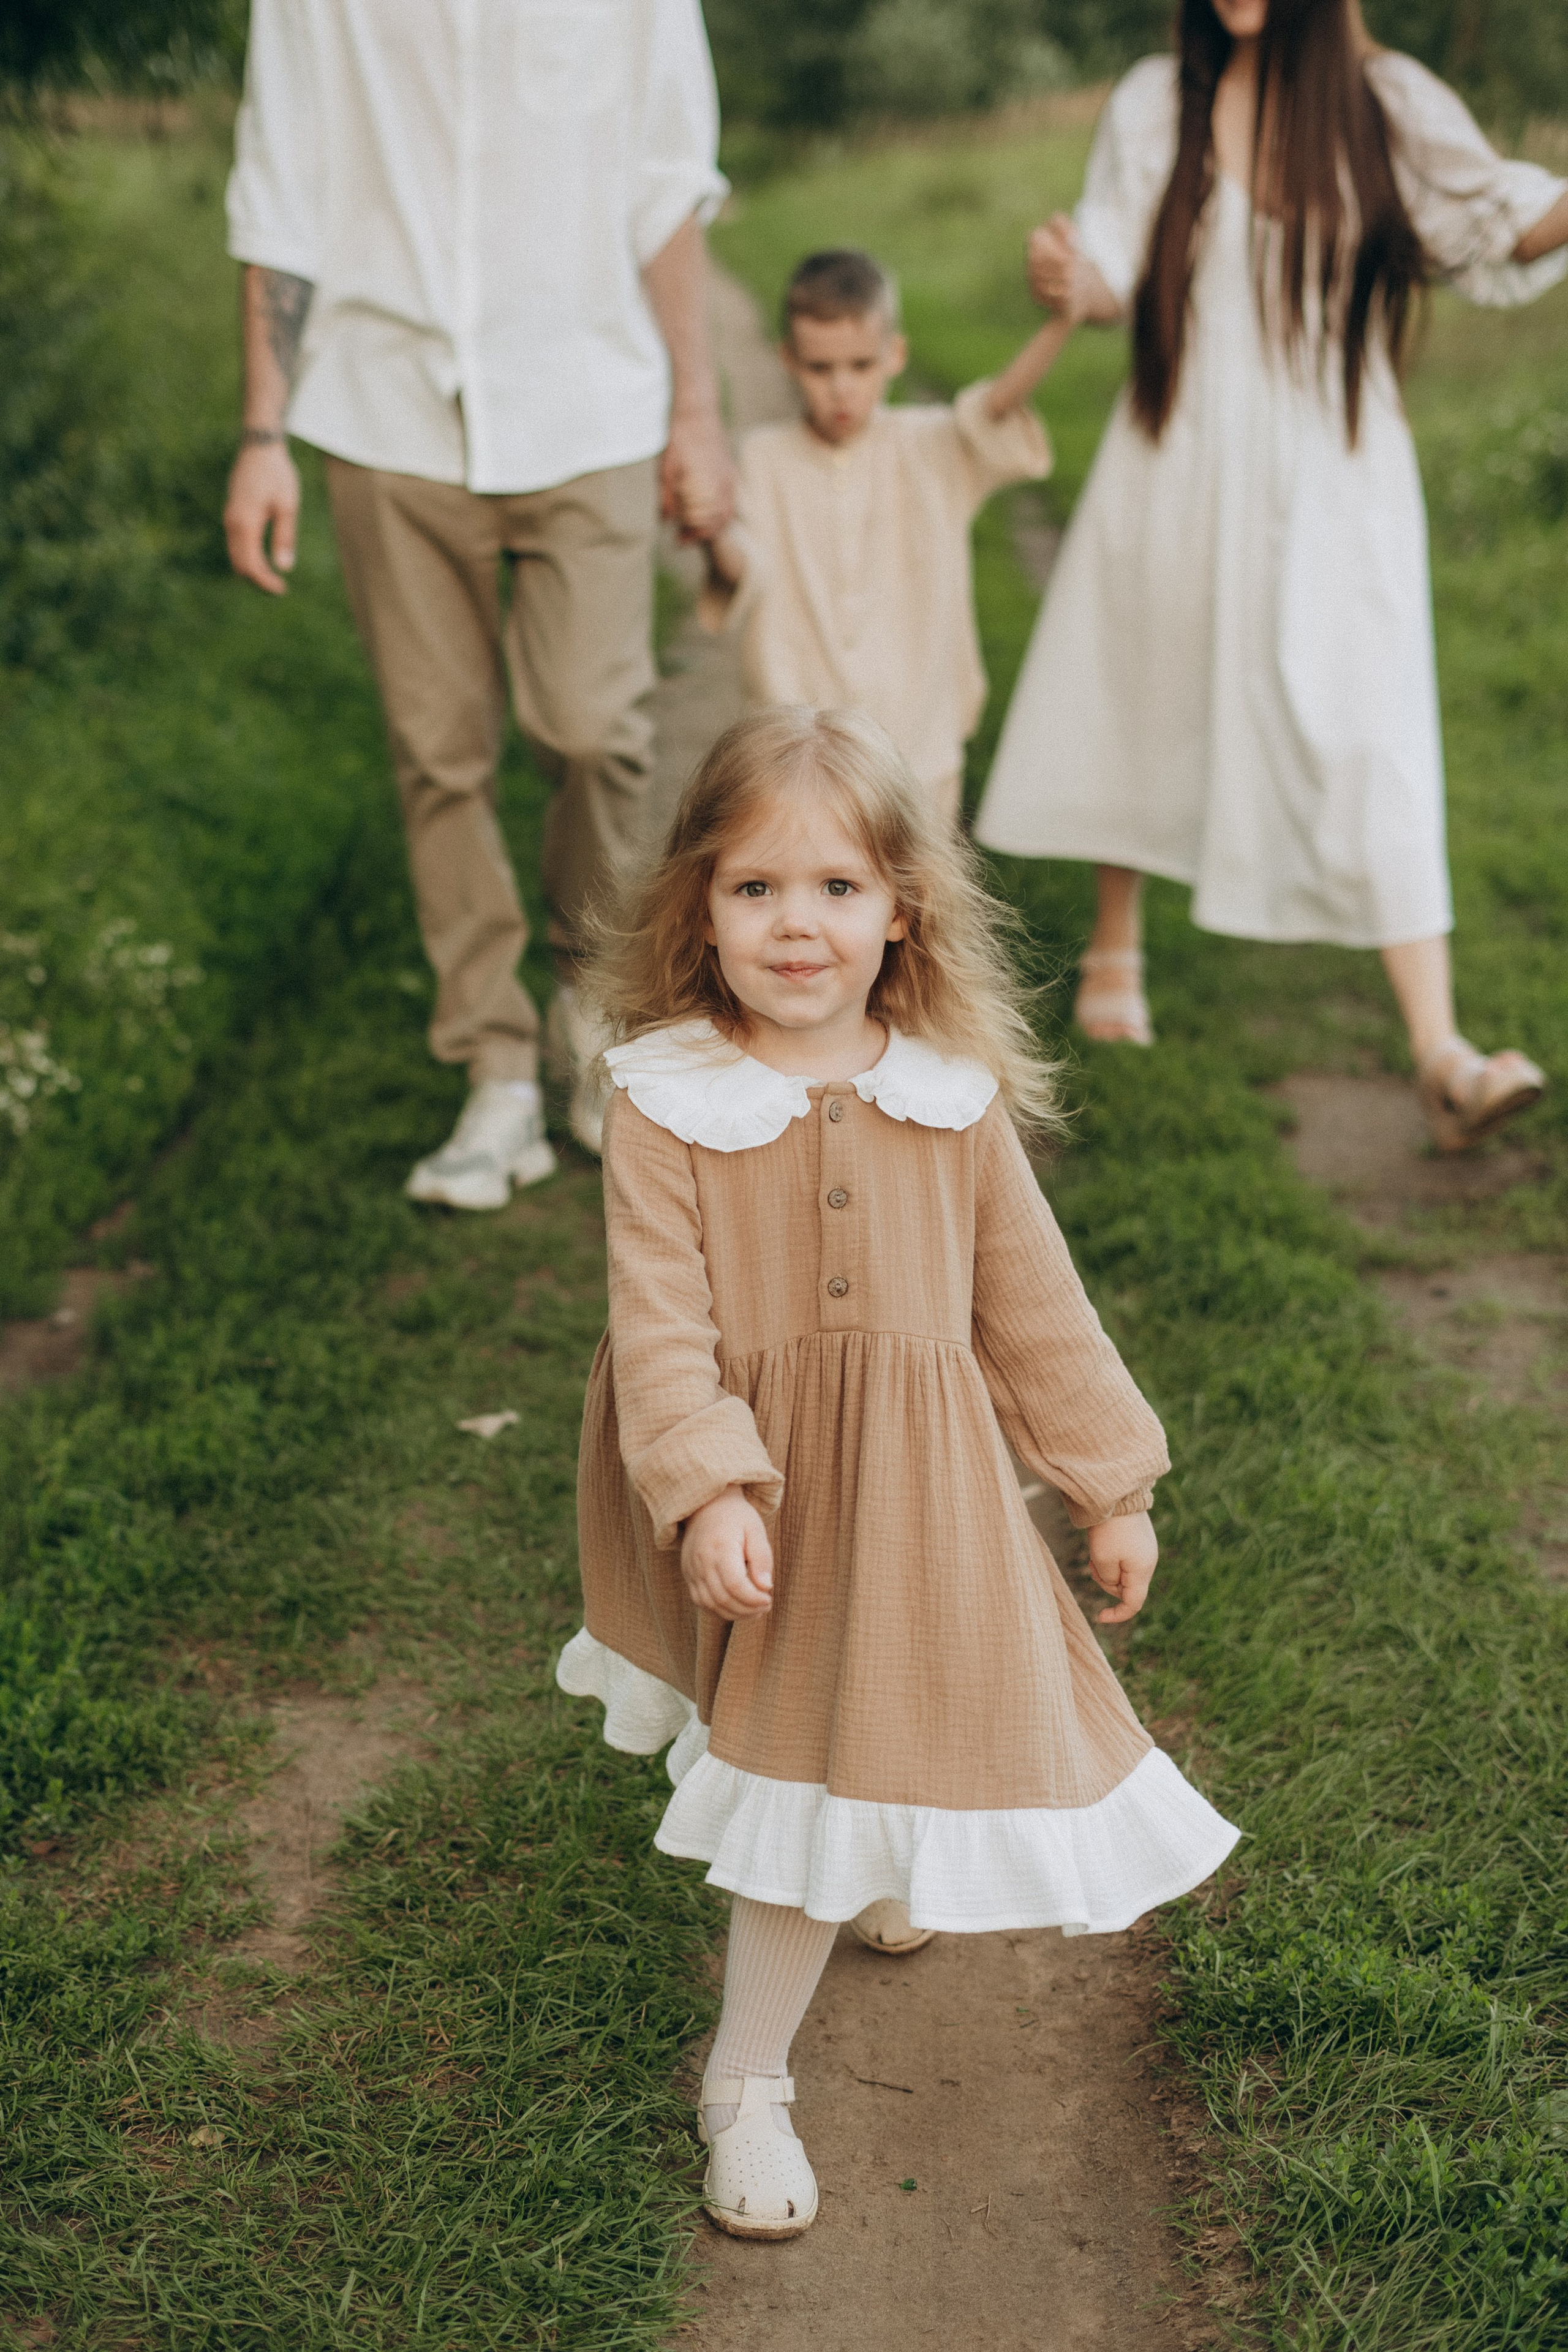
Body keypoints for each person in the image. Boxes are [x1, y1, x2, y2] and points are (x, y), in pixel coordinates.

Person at [556, 706, 1238, 2239]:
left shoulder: (944, 1090)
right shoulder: (665, 1094)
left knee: (877, 1717)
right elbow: (658, 1320)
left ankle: (860, 1870)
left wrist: (1108, 1482)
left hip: (912, 1482)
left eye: (837, 889)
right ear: (697, 909)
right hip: (763, 1488)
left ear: (899, 910)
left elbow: (1028, 1301)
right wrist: (710, 1484)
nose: (797, 924)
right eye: (753, 889)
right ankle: (745, 2079)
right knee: (801, 1750)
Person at [974, 0, 1568, 1152]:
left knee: (1372, 738)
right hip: (1183, 449)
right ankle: (1116, 943)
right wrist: (1072, 273)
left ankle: (1441, 1052)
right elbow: (1111, 252)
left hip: (1336, 476)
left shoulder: (1386, 102)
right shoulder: (1158, 101)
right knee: (1146, 681)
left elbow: (1499, 219)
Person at [222, 0, 735, 1205]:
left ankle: (594, 1013)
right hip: (381, 409)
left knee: (591, 726)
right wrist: (261, 432)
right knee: (436, 753)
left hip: (590, 398)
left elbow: (667, 185)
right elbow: (278, 190)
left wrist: (696, 414)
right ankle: (495, 1068)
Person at [694, 249, 1065, 828]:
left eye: (861, 366)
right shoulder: (763, 458)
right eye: (820, 369)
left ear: (895, 355)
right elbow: (746, 568)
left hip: (916, 743)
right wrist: (711, 529)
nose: (841, 389)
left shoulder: (932, 446)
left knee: (916, 907)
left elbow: (996, 406)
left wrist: (1062, 321)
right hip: (796, 753)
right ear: (788, 360)